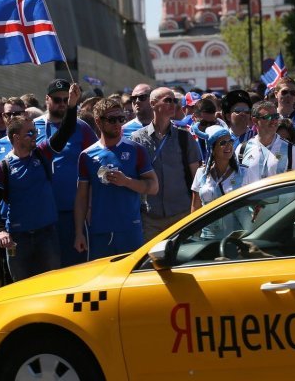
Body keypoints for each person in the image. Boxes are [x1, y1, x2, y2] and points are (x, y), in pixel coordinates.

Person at [0, 84, 82, 280]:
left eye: (35, 132)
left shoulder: (42, 153)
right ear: (15, 137)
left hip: (46, 235)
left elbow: (66, 130)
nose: (35, 136)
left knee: (51, 284)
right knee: (21, 288)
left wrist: (72, 105)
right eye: (30, 133)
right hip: (18, 238)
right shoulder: (1, 167)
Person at [75, 98, 158, 260]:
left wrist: (126, 181)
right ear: (98, 122)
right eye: (112, 120)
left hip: (130, 229)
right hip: (99, 232)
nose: (117, 124)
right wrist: (79, 233)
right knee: (101, 282)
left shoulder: (136, 150)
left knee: (132, 282)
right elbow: (81, 197)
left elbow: (154, 186)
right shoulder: (86, 155)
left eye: (121, 119)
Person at [35, 79, 98, 268]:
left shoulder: (82, 128)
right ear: (47, 100)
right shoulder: (32, 126)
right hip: (42, 212)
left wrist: (90, 207)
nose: (62, 104)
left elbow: (94, 165)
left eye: (66, 100)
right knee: (46, 270)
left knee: (75, 266)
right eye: (57, 100)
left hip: (74, 212)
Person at [131, 87, 201, 240]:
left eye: (175, 101)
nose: (173, 104)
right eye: (168, 100)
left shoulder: (185, 137)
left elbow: (197, 178)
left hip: (181, 215)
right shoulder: (136, 139)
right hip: (150, 218)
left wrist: (196, 212)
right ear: (153, 104)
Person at [190, 126, 253, 237]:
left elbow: (255, 205)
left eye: (230, 141)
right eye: (223, 142)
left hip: (238, 239)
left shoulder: (245, 173)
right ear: (212, 149)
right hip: (207, 239)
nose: (229, 145)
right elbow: (196, 208)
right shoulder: (201, 173)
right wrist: (194, 238)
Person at [237, 100, 295, 177]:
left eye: (276, 116)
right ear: (255, 120)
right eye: (268, 117)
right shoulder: (242, 149)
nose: (274, 121)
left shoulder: (290, 149)